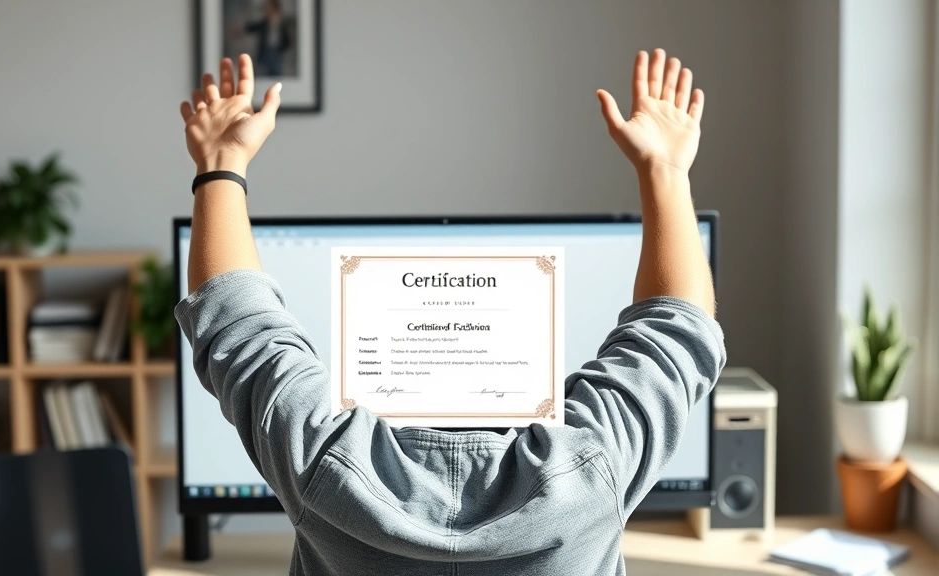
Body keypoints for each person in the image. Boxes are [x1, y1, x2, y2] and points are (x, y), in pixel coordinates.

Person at [176, 49, 725, 575]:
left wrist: (222, 163)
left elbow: (237, 322)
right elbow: (676, 332)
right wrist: (664, 169)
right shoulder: (591, 463)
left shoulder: (322, 460)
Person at [244, 0, 291, 77]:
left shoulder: (282, 24)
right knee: (262, 75)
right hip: (264, 54)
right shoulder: (264, 23)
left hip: (277, 54)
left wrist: (280, 50)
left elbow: (287, 41)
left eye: (269, 8)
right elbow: (252, 27)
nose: (267, 10)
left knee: (277, 75)